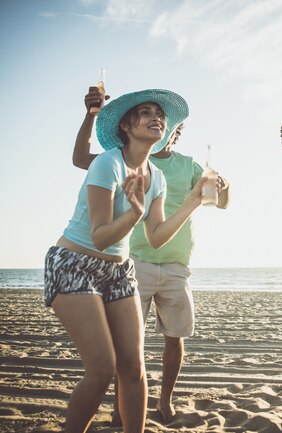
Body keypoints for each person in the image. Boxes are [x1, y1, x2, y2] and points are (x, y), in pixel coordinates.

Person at [45, 88, 207, 433]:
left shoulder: (157, 178)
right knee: (103, 369)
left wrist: (192, 201)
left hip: (119, 271)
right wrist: (134, 213)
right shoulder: (108, 163)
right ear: (126, 126)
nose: (156, 118)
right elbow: (102, 235)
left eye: (159, 114)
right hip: (74, 264)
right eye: (145, 112)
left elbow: (157, 236)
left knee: (133, 370)